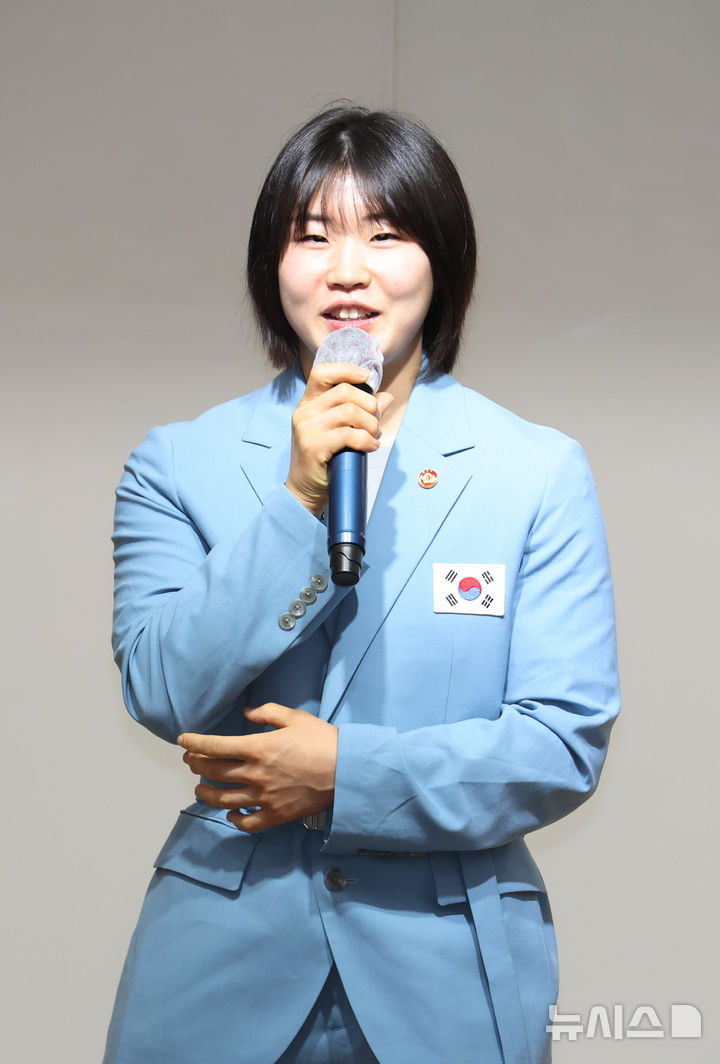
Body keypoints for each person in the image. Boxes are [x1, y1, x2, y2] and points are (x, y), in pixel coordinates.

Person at [103, 106, 619, 1064]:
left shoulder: (534, 471)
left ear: (442, 261)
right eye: (313, 237)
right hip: (219, 966)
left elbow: (559, 743)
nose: (348, 270)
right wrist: (299, 501)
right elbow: (161, 688)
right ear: (272, 266)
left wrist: (346, 775)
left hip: (448, 970)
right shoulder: (177, 463)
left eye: (385, 235)